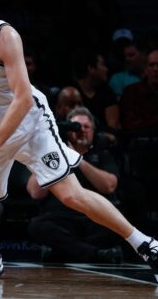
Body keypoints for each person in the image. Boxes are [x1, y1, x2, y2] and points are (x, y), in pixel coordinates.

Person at [0, 0, 158, 284]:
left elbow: (23, 99)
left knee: (71, 194)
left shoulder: (4, 37)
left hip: (27, 121)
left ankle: (146, 245)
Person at [27, 107, 123, 263]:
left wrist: (78, 159)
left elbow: (109, 186)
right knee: (37, 226)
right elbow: (35, 192)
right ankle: (95, 254)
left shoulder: (102, 153)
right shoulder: (54, 152)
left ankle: (67, 251)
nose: (82, 130)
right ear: (67, 130)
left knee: (118, 222)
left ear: (93, 131)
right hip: (61, 219)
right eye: (76, 127)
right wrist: (56, 155)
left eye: (86, 127)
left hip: (94, 218)